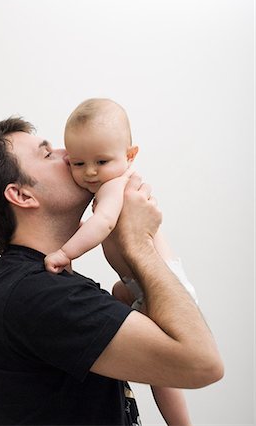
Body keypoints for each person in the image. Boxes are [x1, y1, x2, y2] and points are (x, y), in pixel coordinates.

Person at [0, 116, 223, 426]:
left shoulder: (42, 285)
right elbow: (204, 364)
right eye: (46, 153)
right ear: (22, 195)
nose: (67, 153)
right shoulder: (39, 295)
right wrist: (138, 242)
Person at [44, 98, 198, 424]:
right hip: (139, 286)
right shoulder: (110, 182)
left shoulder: (116, 186)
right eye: (77, 163)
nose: (90, 172)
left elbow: (103, 225)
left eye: (101, 160)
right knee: (117, 292)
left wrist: (64, 253)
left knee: (162, 370)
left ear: (130, 155)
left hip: (163, 285)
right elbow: (94, 225)